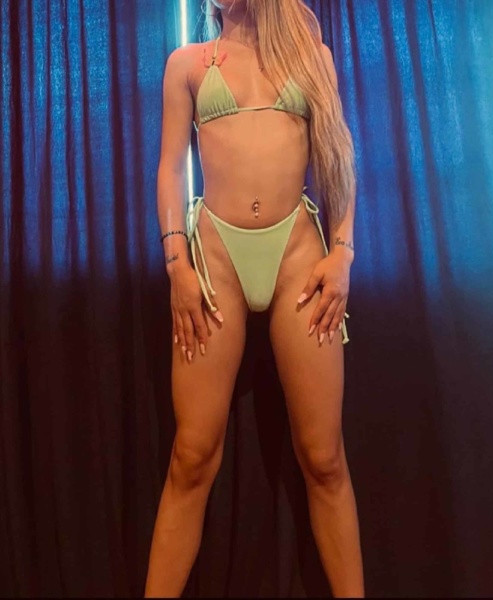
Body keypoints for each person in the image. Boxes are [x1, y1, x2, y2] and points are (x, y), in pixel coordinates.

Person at [144, 0, 364, 597]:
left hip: (299, 258)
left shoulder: (312, 57)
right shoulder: (188, 63)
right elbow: (170, 168)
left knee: (324, 458)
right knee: (192, 456)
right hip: (216, 258)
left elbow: (338, 159)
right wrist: (176, 263)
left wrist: (343, 253)